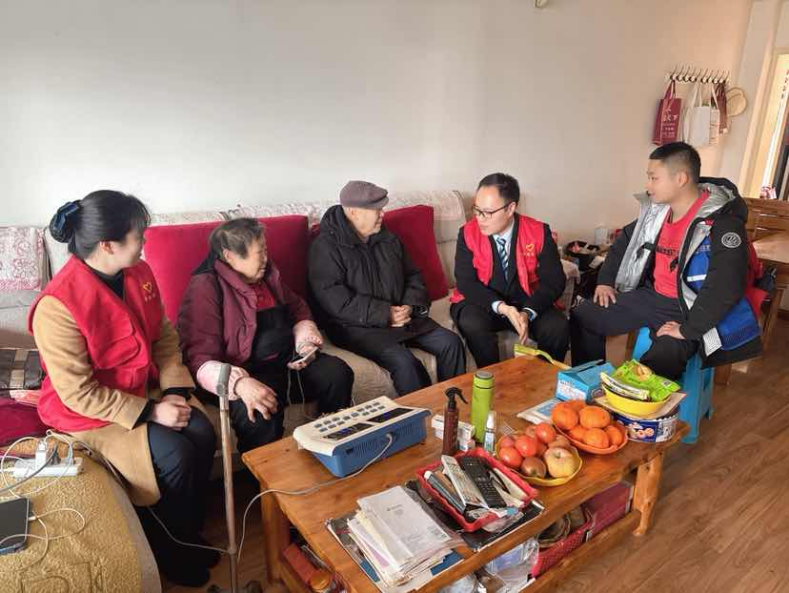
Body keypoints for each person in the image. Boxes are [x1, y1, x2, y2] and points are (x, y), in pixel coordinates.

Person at [30, 191, 217, 587]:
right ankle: (169, 549)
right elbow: (78, 393)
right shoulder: (57, 306)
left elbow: (164, 337)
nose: (144, 242)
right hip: (92, 412)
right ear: (108, 245)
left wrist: (174, 392)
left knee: (202, 431)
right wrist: (152, 412)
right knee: (176, 453)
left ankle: (187, 532)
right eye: (138, 236)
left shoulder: (138, 273)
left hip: (143, 390)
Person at [570, 142, 762, 379]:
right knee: (583, 315)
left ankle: (636, 398)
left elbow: (726, 286)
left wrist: (688, 330)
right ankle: (588, 381)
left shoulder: (722, 224)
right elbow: (624, 241)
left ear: (680, 179)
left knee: (664, 356)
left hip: (690, 309)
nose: (647, 185)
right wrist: (605, 281)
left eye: (654, 178)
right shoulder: (658, 212)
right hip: (652, 297)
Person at [178, 218, 353, 453]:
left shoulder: (267, 276)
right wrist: (239, 384)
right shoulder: (205, 287)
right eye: (259, 253)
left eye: (266, 250)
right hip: (245, 373)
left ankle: (329, 449)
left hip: (285, 364)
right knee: (260, 412)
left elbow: (298, 308)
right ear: (230, 257)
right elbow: (197, 356)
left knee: (337, 373)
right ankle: (261, 474)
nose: (266, 259)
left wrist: (304, 342)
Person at [308, 180, 466, 397]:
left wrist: (410, 306)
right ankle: (424, 415)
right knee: (406, 364)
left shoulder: (388, 238)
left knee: (451, 343)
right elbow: (335, 300)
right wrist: (385, 314)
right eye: (377, 209)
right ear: (353, 212)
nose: (383, 214)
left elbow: (413, 275)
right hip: (358, 327)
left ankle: (453, 407)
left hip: (402, 318)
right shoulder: (325, 247)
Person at [450, 173, 569, 368]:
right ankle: (493, 379)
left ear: (510, 208)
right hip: (484, 303)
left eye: (487, 212)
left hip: (525, 302)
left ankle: (545, 380)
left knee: (557, 326)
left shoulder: (538, 232)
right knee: (472, 322)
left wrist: (528, 312)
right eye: (477, 210)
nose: (480, 219)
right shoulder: (468, 233)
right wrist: (502, 307)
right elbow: (466, 282)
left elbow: (554, 281)